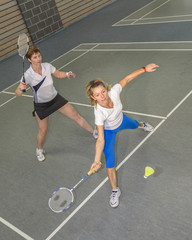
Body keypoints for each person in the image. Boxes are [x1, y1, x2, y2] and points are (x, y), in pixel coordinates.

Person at [86, 63, 159, 208]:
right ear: (93, 98)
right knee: (110, 161)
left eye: (103, 92)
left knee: (135, 124)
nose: (102, 96)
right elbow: (100, 139)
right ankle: (115, 190)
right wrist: (96, 160)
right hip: (109, 131)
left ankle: (142, 125)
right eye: (97, 95)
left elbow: (127, 79)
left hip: (121, 120)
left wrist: (144, 69)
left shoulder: (113, 92)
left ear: (106, 89)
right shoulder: (98, 112)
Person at [15, 45, 97, 162]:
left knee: (75, 115)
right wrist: (20, 89)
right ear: (29, 60)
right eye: (35, 57)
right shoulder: (27, 75)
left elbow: (58, 74)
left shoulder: (47, 66)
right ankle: (39, 149)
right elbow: (17, 93)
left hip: (55, 99)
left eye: (39, 56)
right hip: (42, 105)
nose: (38, 59)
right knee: (43, 130)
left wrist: (67, 74)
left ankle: (94, 132)